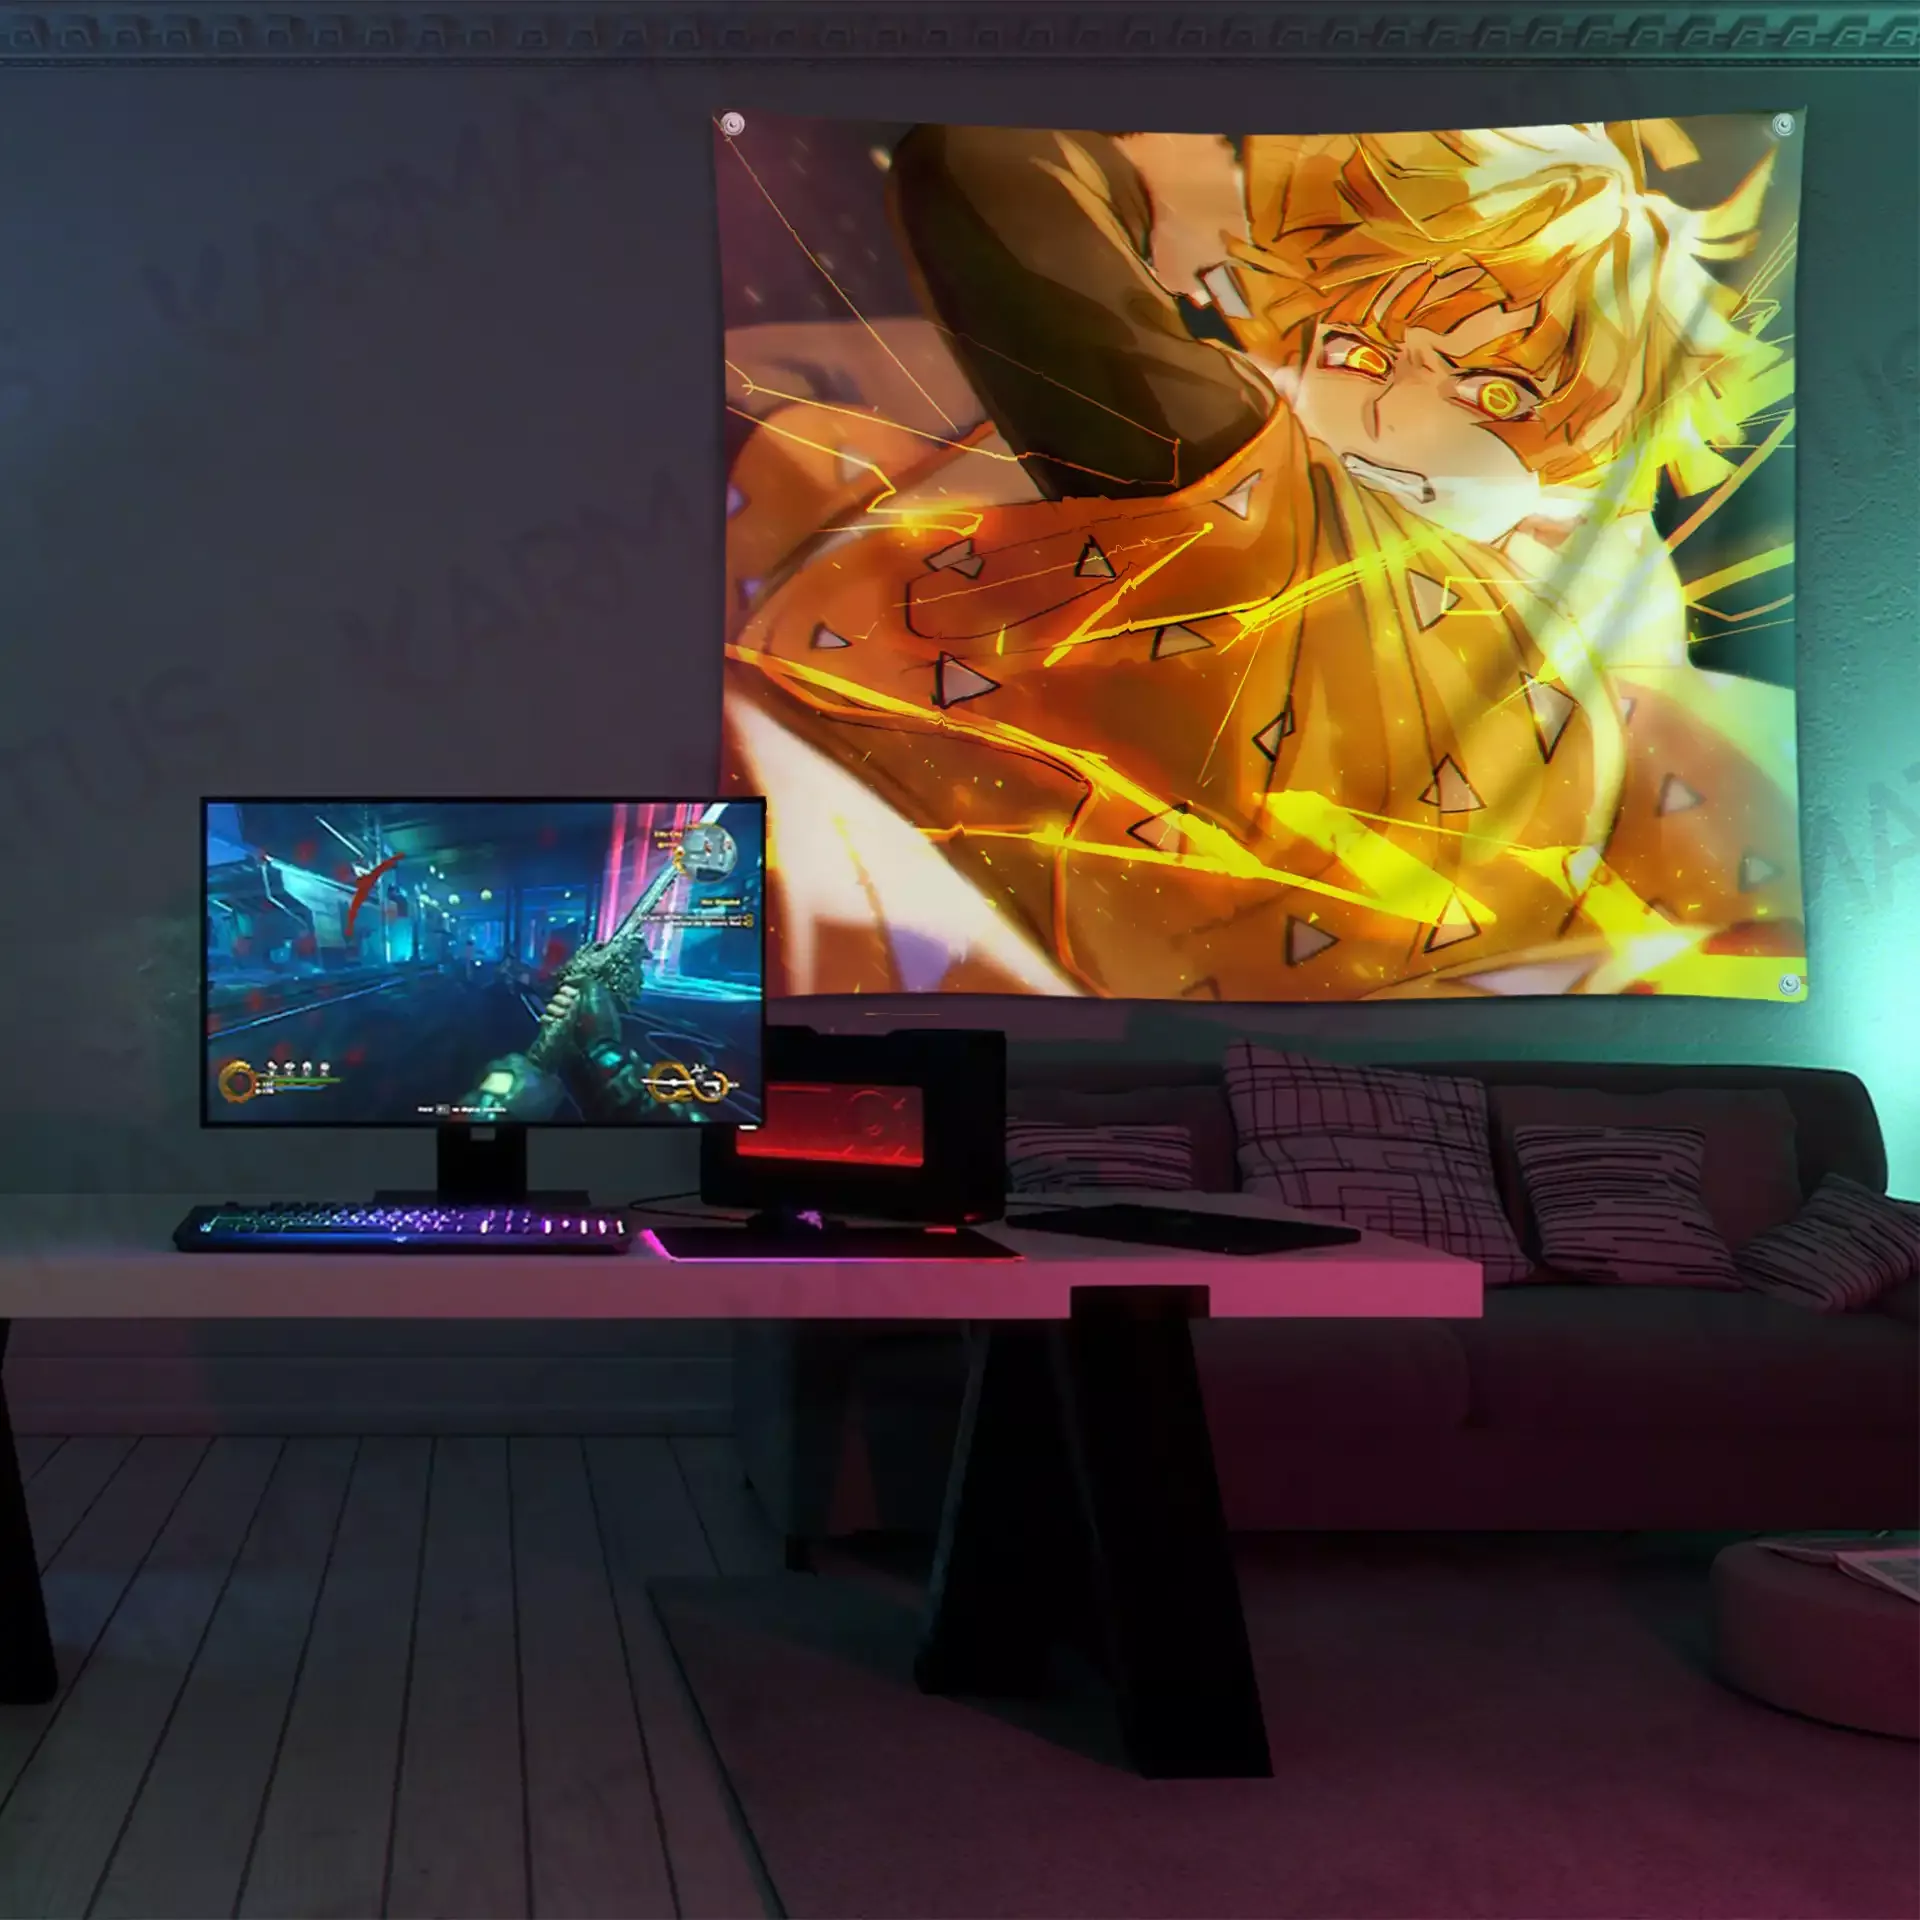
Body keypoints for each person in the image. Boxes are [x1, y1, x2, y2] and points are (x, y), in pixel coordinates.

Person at [721, 120, 1802, 1000]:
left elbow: (980, 175)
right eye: (1361, 351)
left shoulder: (1298, 515)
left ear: (1607, 442)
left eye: (1494, 389)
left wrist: (1151, 182)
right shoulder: (1573, 676)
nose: (1386, 413)